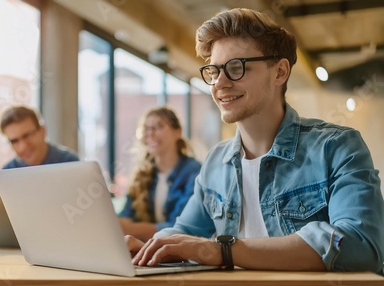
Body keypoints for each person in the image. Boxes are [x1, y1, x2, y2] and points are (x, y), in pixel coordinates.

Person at [127, 8, 384, 274]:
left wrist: (222, 250)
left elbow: (362, 247)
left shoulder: (337, 147)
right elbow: (184, 234)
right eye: (214, 71)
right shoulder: (216, 161)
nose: (220, 83)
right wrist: (148, 247)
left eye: (236, 68)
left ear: (280, 72)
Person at [118, 107, 201, 242]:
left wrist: (131, 229)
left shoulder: (195, 172)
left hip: (182, 255)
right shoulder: (142, 174)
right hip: (146, 252)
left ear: (178, 132)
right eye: (146, 129)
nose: (150, 134)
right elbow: (126, 215)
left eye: (159, 127)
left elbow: (183, 228)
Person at [0, 105, 79, 169]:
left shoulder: (71, 164)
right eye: (14, 141)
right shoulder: (7, 172)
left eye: (27, 136)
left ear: (42, 131)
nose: (23, 146)